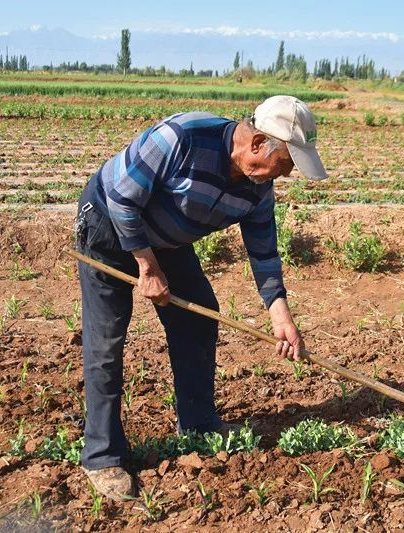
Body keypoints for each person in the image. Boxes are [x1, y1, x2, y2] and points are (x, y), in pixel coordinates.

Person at [75, 95, 328, 500]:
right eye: (283, 166)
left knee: (199, 319)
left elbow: (263, 253)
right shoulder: (183, 137)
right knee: (106, 341)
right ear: (259, 143)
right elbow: (123, 199)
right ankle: (102, 456)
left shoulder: (257, 189)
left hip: (168, 242)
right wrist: (147, 266)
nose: (281, 177)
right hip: (108, 224)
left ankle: (197, 422)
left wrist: (281, 316)